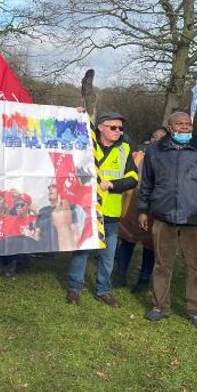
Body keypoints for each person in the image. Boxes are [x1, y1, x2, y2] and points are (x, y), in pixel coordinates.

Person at [137, 111, 197, 329]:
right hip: (163, 216)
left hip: (196, 217)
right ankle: (160, 306)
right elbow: (146, 182)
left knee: (196, 265)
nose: (185, 127)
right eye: (180, 124)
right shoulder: (155, 151)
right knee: (162, 264)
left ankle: (196, 311)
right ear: (170, 127)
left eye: (188, 124)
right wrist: (143, 209)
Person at [67, 112, 138, 308]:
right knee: (82, 250)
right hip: (87, 207)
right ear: (100, 127)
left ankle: (103, 290)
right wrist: (78, 115)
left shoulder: (125, 148)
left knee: (108, 255)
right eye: (113, 127)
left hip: (111, 211)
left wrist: (114, 184)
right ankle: (74, 288)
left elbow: (133, 178)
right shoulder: (88, 143)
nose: (118, 131)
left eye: (120, 128)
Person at [113, 126, 168, 293]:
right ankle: (120, 274)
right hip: (132, 204)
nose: (155, 140)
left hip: (154, 207)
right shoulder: (138, 156)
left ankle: (143, 280)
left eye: (160, 138)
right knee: (127, 239)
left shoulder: (170, 161)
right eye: (153, 136)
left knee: (150, 245)